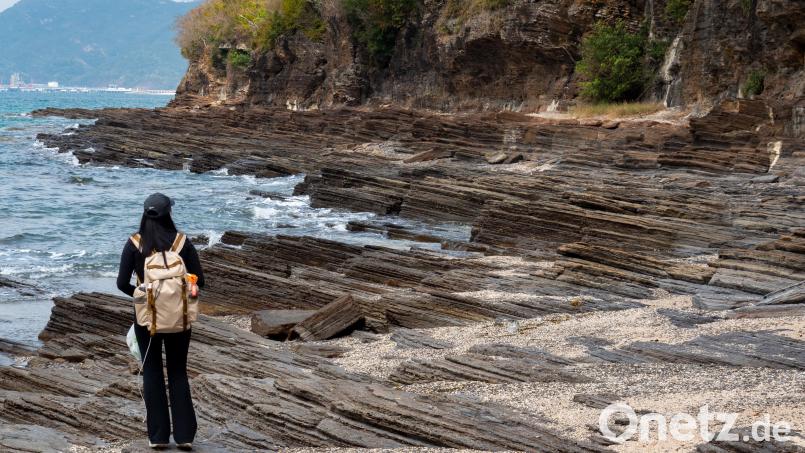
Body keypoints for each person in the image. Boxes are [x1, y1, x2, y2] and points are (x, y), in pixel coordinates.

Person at [116, 193, 205, 450]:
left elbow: (122, 283)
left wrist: (143, 296)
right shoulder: (181, 243)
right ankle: (185, 435)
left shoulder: (134, 243)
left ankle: (158, 437)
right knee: (178, 371)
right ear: (169, 214)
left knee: (152, 370)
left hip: (147, 319)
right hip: (179, 317)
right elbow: (199, 279)